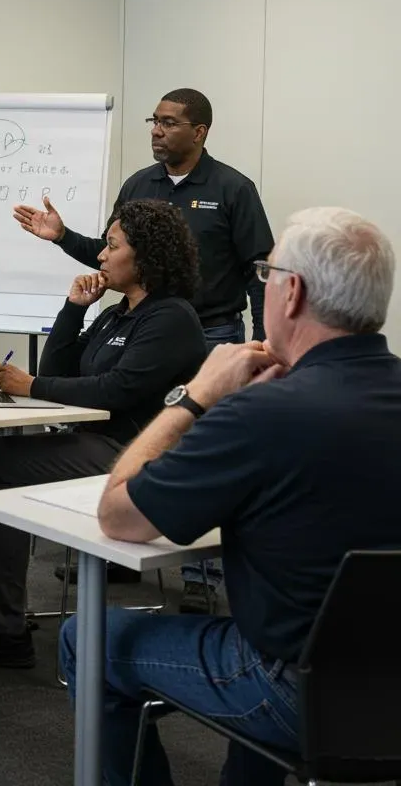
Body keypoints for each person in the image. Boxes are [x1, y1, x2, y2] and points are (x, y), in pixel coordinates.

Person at [61, 207, 401, 786]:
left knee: (87, 639)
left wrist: (195, 399)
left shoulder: (262, 412)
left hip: (297, 689)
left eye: (267, 275)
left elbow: (119, 515)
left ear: (290, 293)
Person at [15, 87, 274, 609]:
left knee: (197, 449)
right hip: (143, 328)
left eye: (170, 122)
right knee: (137, 434)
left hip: (210, 330)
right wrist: (64, 236)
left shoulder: (232, 189)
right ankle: (115, 554)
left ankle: (202, 577)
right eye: (154, 121)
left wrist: (264, 338)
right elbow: (113, 251)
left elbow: (258, 268)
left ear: (199, 132)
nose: (157, 130)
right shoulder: (139, 184)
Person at [0, 200, 207, 670]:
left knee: (0, 461)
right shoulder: (116, 314)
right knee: (4, 473)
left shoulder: (171, 318)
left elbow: (116, 390)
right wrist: (72, 309)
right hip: (94, 444)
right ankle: (2, 628)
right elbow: (60, 368)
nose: (100, 255)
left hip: (134, 457)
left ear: (145, 258)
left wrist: (31, 386)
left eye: (112, 246)